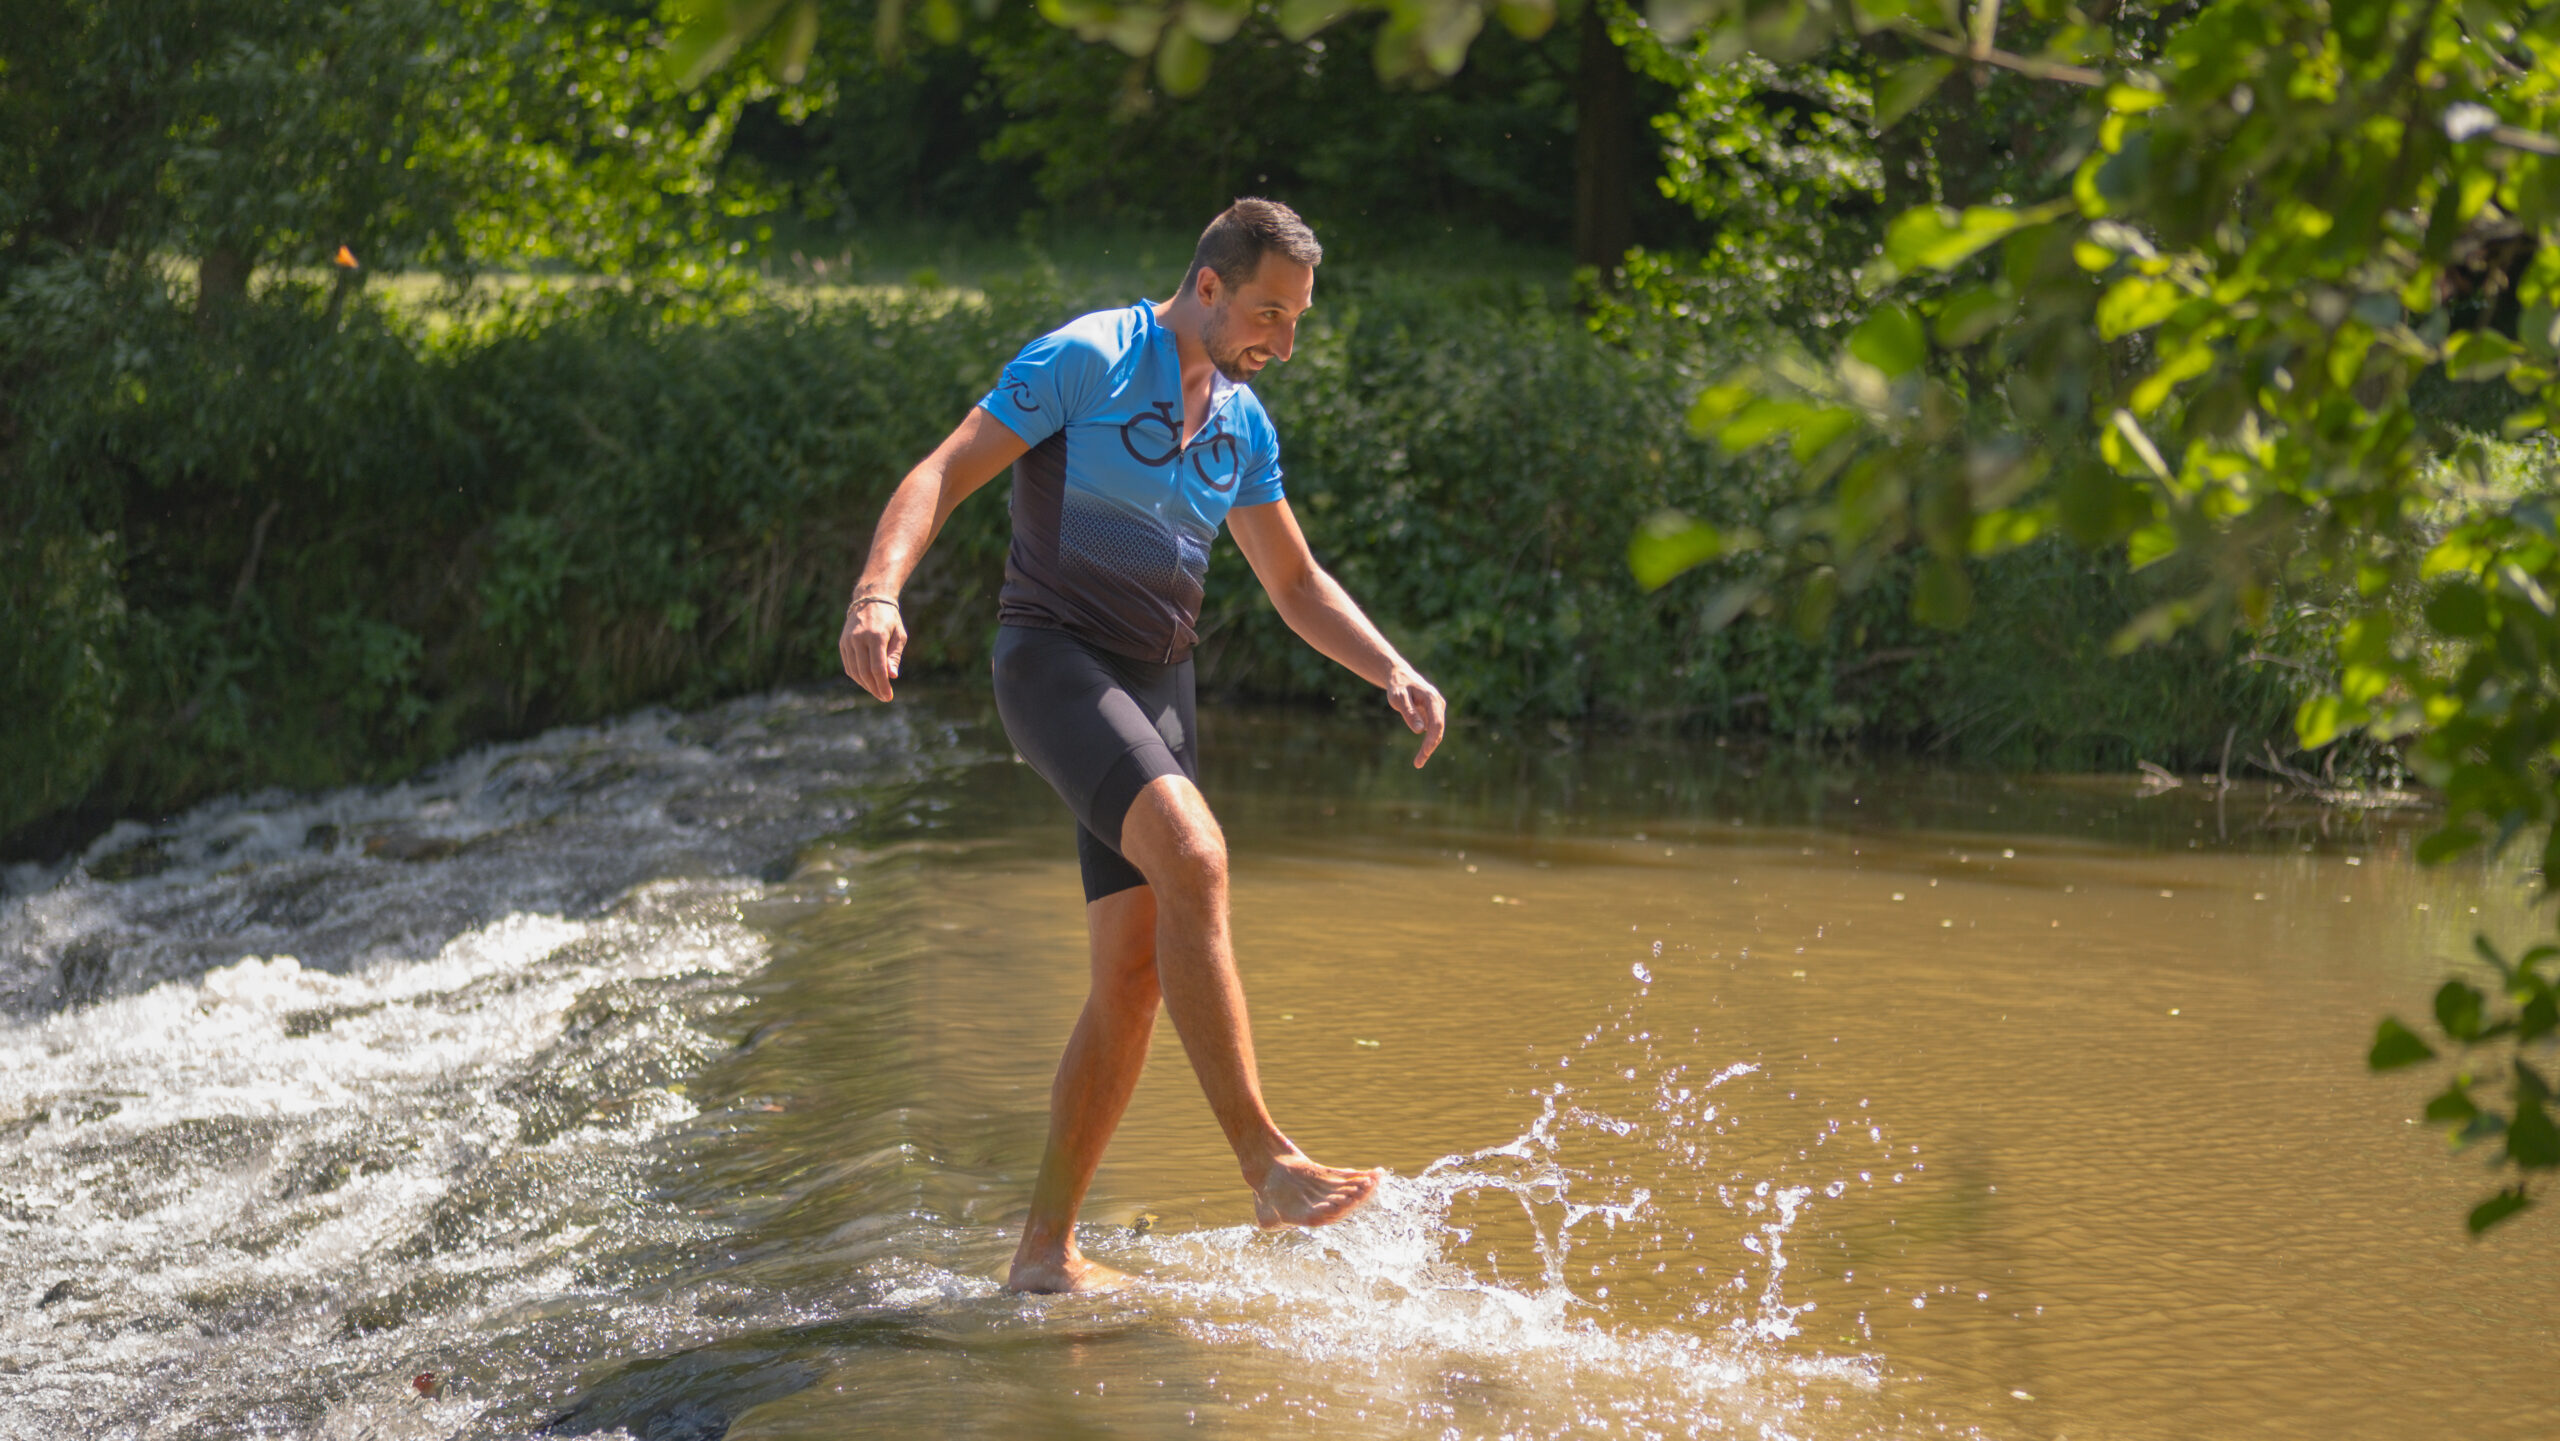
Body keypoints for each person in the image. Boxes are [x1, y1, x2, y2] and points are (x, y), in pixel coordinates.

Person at [837, 198, 1448, 1294]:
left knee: (1130, 977)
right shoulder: (1086, 357)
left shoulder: (1242, 422)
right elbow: (941, 471)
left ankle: (1042, 1256)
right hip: (1053, 664)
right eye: (1269, 311)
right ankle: (1265, 1160)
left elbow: (1294, 583)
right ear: (1206, 286)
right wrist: (878, 593)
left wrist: (1390, 666)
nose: (1284, 342)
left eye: (1299, 319)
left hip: (1160, 689)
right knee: (1198, 856)